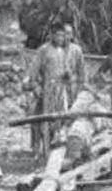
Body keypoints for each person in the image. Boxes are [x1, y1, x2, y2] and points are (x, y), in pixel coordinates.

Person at [31, 23, 71, 158]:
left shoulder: (63, 51)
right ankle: (42, 150)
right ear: (51, 35)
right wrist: (36, 87)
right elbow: (34, 71)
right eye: (58, 35)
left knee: (59, 120)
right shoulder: (43, 50)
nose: (61, 38)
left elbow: (65, 69)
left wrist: (67, 75)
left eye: (63, 35)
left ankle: (55, 150)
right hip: (47, 89)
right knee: (44, 120)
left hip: (60, 90)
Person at [62, 22, 87, 98]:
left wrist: (79, 89)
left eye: (68, 33)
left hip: (72, 87)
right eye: (63, 33)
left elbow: (82, 71)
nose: (66, 36)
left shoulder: (77, 50)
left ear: (72, 35)